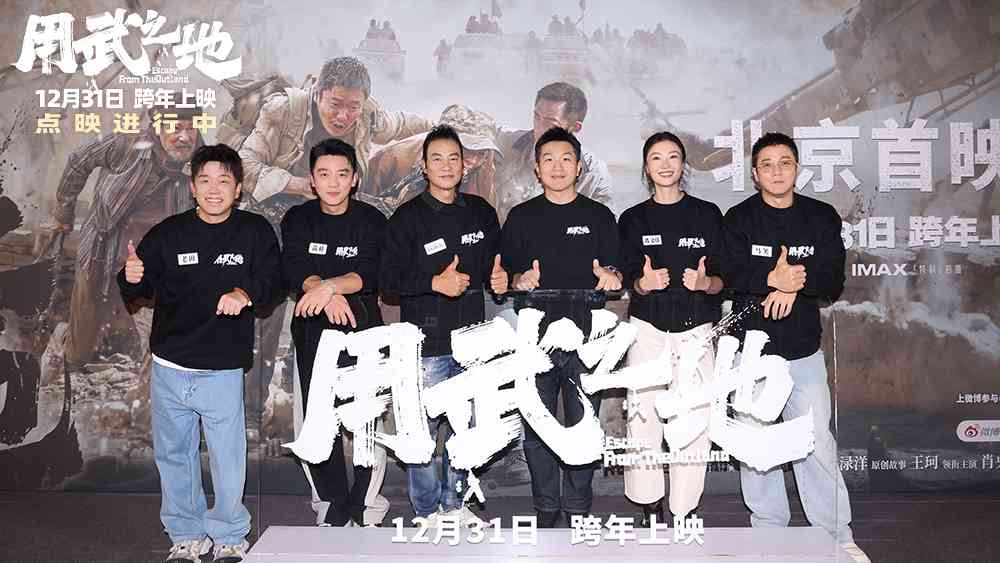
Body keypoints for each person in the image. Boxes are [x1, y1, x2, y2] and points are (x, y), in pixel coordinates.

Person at [118, 144, 281, 563]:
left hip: (222, 367)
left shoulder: (254, 231)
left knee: (227, 457)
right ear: (192, 187)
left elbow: (274, 280)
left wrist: (244, 292)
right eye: (204, 180)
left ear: (238, 188)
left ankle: (229, 535)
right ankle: (186, 534)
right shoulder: (169, 233)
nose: (213, 189)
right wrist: (131, 276)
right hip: (170, 365)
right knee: (174, 455)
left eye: (223, 181)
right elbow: (139, 284)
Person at [722, 132, 870, 563]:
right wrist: (771, 278)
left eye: (784, 163)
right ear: (755, 173)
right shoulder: (739, 219)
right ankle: (769, 532)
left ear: (797, 169)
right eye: (766, 165)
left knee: (817, 445)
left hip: (803, 352)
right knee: (756, 447)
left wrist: (793, 281)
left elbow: (832, 281)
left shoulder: (820, 217)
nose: (776, 171)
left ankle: (836, 535)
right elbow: (727, 274)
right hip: (751, 354)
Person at [380, 125, 508, 527]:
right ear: (424, 166)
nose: (446, 166)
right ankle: (425, 510)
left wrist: (500, 279)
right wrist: (433, 283)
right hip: (426, 344)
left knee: (465, 429)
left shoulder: (481, 213)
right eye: (437, 158)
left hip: (472, 344)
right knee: (420, 432)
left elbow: (495, 268)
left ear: (465, 165)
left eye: (454, 158)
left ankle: (455, 504)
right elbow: (388, 282)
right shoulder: (407, 219)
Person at [500, 127, 621, 528]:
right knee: (537, 428)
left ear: (579, 166)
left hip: (588, 337)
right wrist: (519, 280)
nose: (557, 167)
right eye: (548, 159)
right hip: (535, 339)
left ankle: (578, 507)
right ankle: (546, 507)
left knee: (583, 424)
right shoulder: (520, 218)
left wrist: (611, 275)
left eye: (566, 158)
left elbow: (617, 270)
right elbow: (505, 276)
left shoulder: (599, 216)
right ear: (536, 168)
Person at [280, 139, 389, 527]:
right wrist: (324, 293)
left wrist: (329, 287)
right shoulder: (298, 219)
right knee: (317, 422)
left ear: (354, 178)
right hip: (312, 331)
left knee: (366, 421)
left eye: (342, 174)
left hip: (362, 330)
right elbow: (293, 268)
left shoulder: (372, 220)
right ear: (312, 180)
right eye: (324, 174)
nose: (333, 182)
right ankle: (330, 504)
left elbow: (373, 273)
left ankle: (366, 504)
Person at [617, 132, 725, 526]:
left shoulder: (708, 215)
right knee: (642, 419)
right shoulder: (632, 219)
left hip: (696, 331)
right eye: (656, 158)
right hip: (648, 329)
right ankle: (648, 504)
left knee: (694, 421)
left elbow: (723, 278)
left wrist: (705, 283)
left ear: (683, 165)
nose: (665, 164)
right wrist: (644, 283)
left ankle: (684, 508)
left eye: (673, 156)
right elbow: (627, 276)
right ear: (646, 168)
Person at [48, 106, 202, 368]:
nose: (184, 137)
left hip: (156, 263)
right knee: (78, 351)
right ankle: (62, 343)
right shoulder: (126, 144)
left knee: (164, 342)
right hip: (102, 249)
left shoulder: (201, 160)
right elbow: (79, 160)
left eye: (191, 128)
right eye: (176, 128)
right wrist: (64, 212)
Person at [495, 82, 612, 222]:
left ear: (575, 127)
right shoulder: (507, 141)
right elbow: (477, 127)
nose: (539, 128)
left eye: (550, 122)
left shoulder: (592, 173)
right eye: (537, 116)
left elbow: (605, 226)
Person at [360, 104, 500, 215]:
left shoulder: (484, 167)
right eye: (466, 150)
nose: (473, 160)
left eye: (480, 152)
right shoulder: (395, 158)